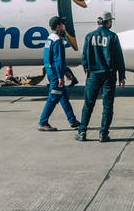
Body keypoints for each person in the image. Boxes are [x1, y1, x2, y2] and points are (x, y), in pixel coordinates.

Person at [76, 12, 126, 143]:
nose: (111, 23)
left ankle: (82, 132)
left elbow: (84, 56)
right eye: (110, 21)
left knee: (88, 104)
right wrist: (121, 76)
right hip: (109, 75)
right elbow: (119, 57)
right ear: (107, 22)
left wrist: (86, 69)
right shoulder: (113, 37)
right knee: (107, 105)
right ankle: (103, 134)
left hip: (93, 75)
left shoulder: (89, 36)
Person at [38, 16, 81, 131]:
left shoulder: (49, 38)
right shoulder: (57, 40)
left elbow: (50, 59)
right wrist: (60, 77)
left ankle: (73, 121)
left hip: (51, 71)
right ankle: (43, 122)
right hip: (55, 75)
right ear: (58, 26)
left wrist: (64, 71)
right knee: (53, 98)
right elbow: (58, 60)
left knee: (63, 97)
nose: (64, 27)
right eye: (62, 25)